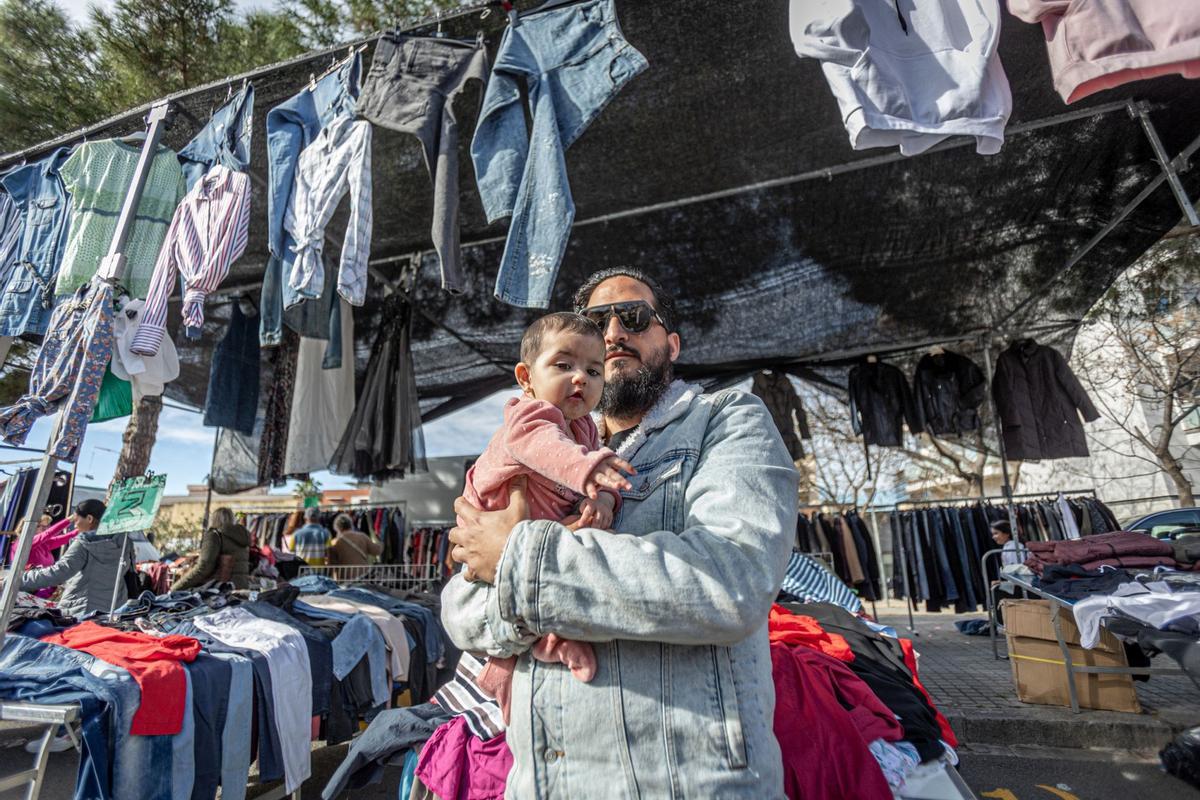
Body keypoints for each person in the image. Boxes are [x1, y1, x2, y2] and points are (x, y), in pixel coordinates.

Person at [442, 267, 799, 798]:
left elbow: (731, 581)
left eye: (633, 317)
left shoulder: (727, 420)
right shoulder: (536, 448)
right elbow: (459, 609)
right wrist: (511, 569)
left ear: (671, 343)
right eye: (595, 321)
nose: (612, 334)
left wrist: (516, 558)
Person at [465, 311, 635, 720]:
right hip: (492, 520)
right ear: (526, 377)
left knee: (549, 584)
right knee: (517, 604)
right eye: (563, 365)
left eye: (594, 371)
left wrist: (604, 500)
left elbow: (599, 480)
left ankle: (516, 673)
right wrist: (587, 469)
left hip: (532, 537)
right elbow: (542, 446)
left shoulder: (587, 431)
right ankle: (545, 646)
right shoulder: (528, 415)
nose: (581, 378)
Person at [20, 499, 132, 618]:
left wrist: (18, 580)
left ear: (89, 519)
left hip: (83, 610)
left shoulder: (84, 543)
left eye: (76, 519)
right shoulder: (124, 542)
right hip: (115, 610)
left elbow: (58, 572)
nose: (75, 524)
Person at [170, 507, 251, 591]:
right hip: (240, 589)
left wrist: (176, 588)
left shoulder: (214, 536)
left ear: (214, 519)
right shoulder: (242, 537)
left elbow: (204, 567)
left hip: (220, 590)